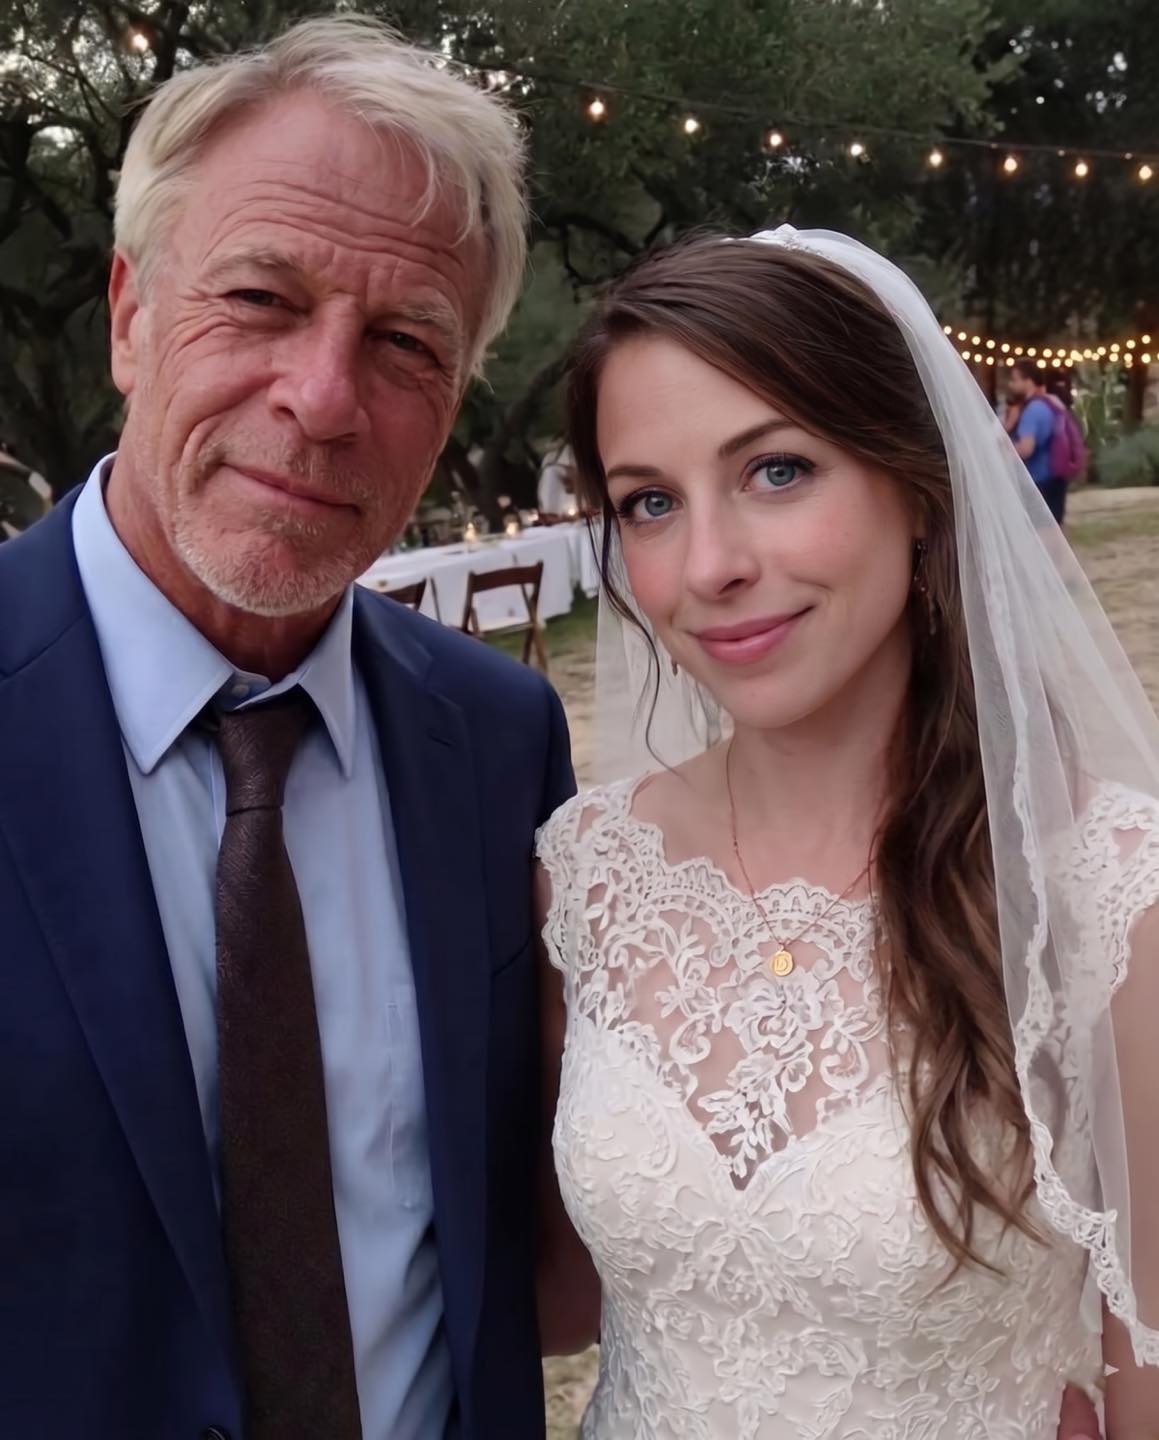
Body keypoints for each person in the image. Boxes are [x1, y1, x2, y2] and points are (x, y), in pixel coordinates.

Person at [0, 18, 573, 1440]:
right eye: (259, 298)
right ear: (129, 315)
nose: (321, 401)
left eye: (404, 343)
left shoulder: (499, 743)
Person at [534, 228, 1159, 1437]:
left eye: (776, 471)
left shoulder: (1104, 893)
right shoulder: (585, 871)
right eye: (650, 503)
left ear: (915, 483)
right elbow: (553, 1296)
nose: (708, 565)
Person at [1007, 356, 1070, 523]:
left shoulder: (1032, 410)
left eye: (1015, 380)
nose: (1011, 385)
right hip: (1056, 479)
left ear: (1028, 381)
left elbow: (1026, 449)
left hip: (1040, 482)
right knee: (1053, 530)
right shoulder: (1050, 403)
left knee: (1043, 533)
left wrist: (1003, 450)